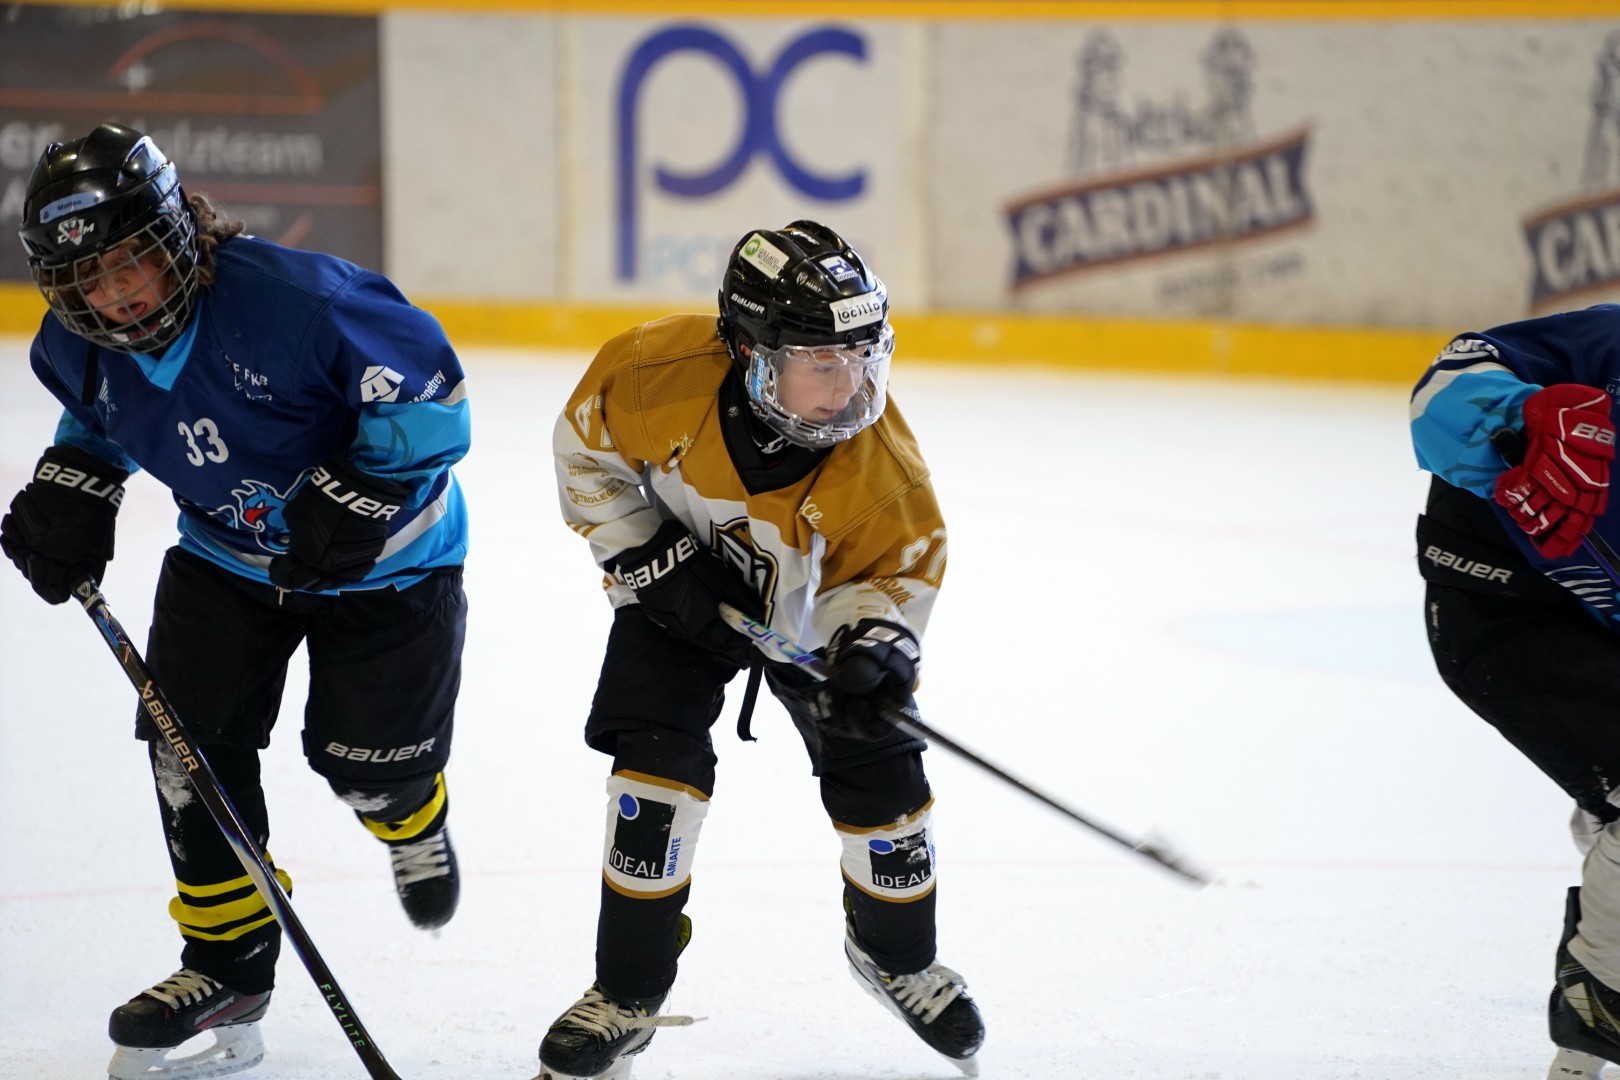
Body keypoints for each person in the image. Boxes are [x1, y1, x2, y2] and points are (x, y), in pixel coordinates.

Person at [2, 122, 471, 1080]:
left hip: (387, 568)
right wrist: (75, 486)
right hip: (224, 561)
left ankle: (408, 815)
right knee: (187, 751)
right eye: (86, 279)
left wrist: (362, 490)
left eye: (129, 262)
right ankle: (226, 968)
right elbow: (103, 419)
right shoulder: (81, 345)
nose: (114, 295)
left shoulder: (300, 303)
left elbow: (433, 399)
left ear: (177, 235)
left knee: (364, 766)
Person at [538, 220, 985, 1080]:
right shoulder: (651, 373)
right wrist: (654, 562)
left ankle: (896, 957)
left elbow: (895, 571)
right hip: (677, 600)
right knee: (651, 775)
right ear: (752, 353)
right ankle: (627, 993)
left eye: (863, 357)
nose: (849, 386)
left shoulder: (878, 466)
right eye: (824, 362)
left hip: (813, 626)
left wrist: (875, 651)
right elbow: (586, 458)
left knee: (886, 778)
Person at [1411, 302, 1620, 1076]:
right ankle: (1598, 1018)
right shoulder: (1607, 349)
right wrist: (1516, 421)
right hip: (1501, 612)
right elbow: (1441, 391)